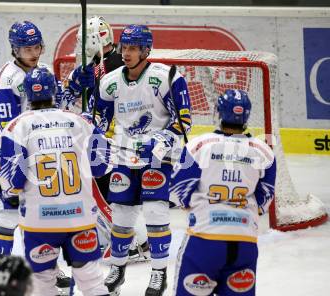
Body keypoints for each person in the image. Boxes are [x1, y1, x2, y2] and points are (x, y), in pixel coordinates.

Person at [93, 24, 192, 296]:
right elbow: (99, 121)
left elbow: (183, 121)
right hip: (124, 157)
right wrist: (96, 141)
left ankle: (159, 273)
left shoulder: (167, 76)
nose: (126, 53)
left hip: (157, 159)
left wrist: (160, 141)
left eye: (133, 48)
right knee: (122, 216)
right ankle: (117, 268)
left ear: (146, 50)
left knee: (155, 213)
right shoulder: (109, 81)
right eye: (124, 47)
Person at [0, 68, 113, 296]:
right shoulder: (81, 122)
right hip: (79, 217)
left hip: (39, 222)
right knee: (90, 279)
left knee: (42, 282)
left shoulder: (15, 127)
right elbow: (101, 168)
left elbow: (13, 182)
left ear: (28, 95)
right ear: (55, 90)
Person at [0, 20, 70, 291]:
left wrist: (74, 90)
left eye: (37, 47)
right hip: (9, 157)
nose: (34, 53)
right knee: (8, 216)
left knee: (42, 216)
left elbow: (57, 108)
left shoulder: (44, 71)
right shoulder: (4, 81)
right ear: (15, 49)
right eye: (26, 48)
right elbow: (9, 130)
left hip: (41, 155)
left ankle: (48, 268)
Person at [170, 89, 277, 296]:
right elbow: (264, 200)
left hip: (205, 240)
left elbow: (176, 192)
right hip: (245, 243)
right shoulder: (264, 151)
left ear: (219, 113)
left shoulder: (199, 145)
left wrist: (192, 204)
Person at [63, 16, 151, 263]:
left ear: (94, 40)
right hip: (106, 141)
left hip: (114, 143)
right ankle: (139, 241)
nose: (79, 45)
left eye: (82, 40)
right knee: (111, 196)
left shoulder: (115, 65)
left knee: (105, 195)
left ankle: (134, 241)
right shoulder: (98, 64)